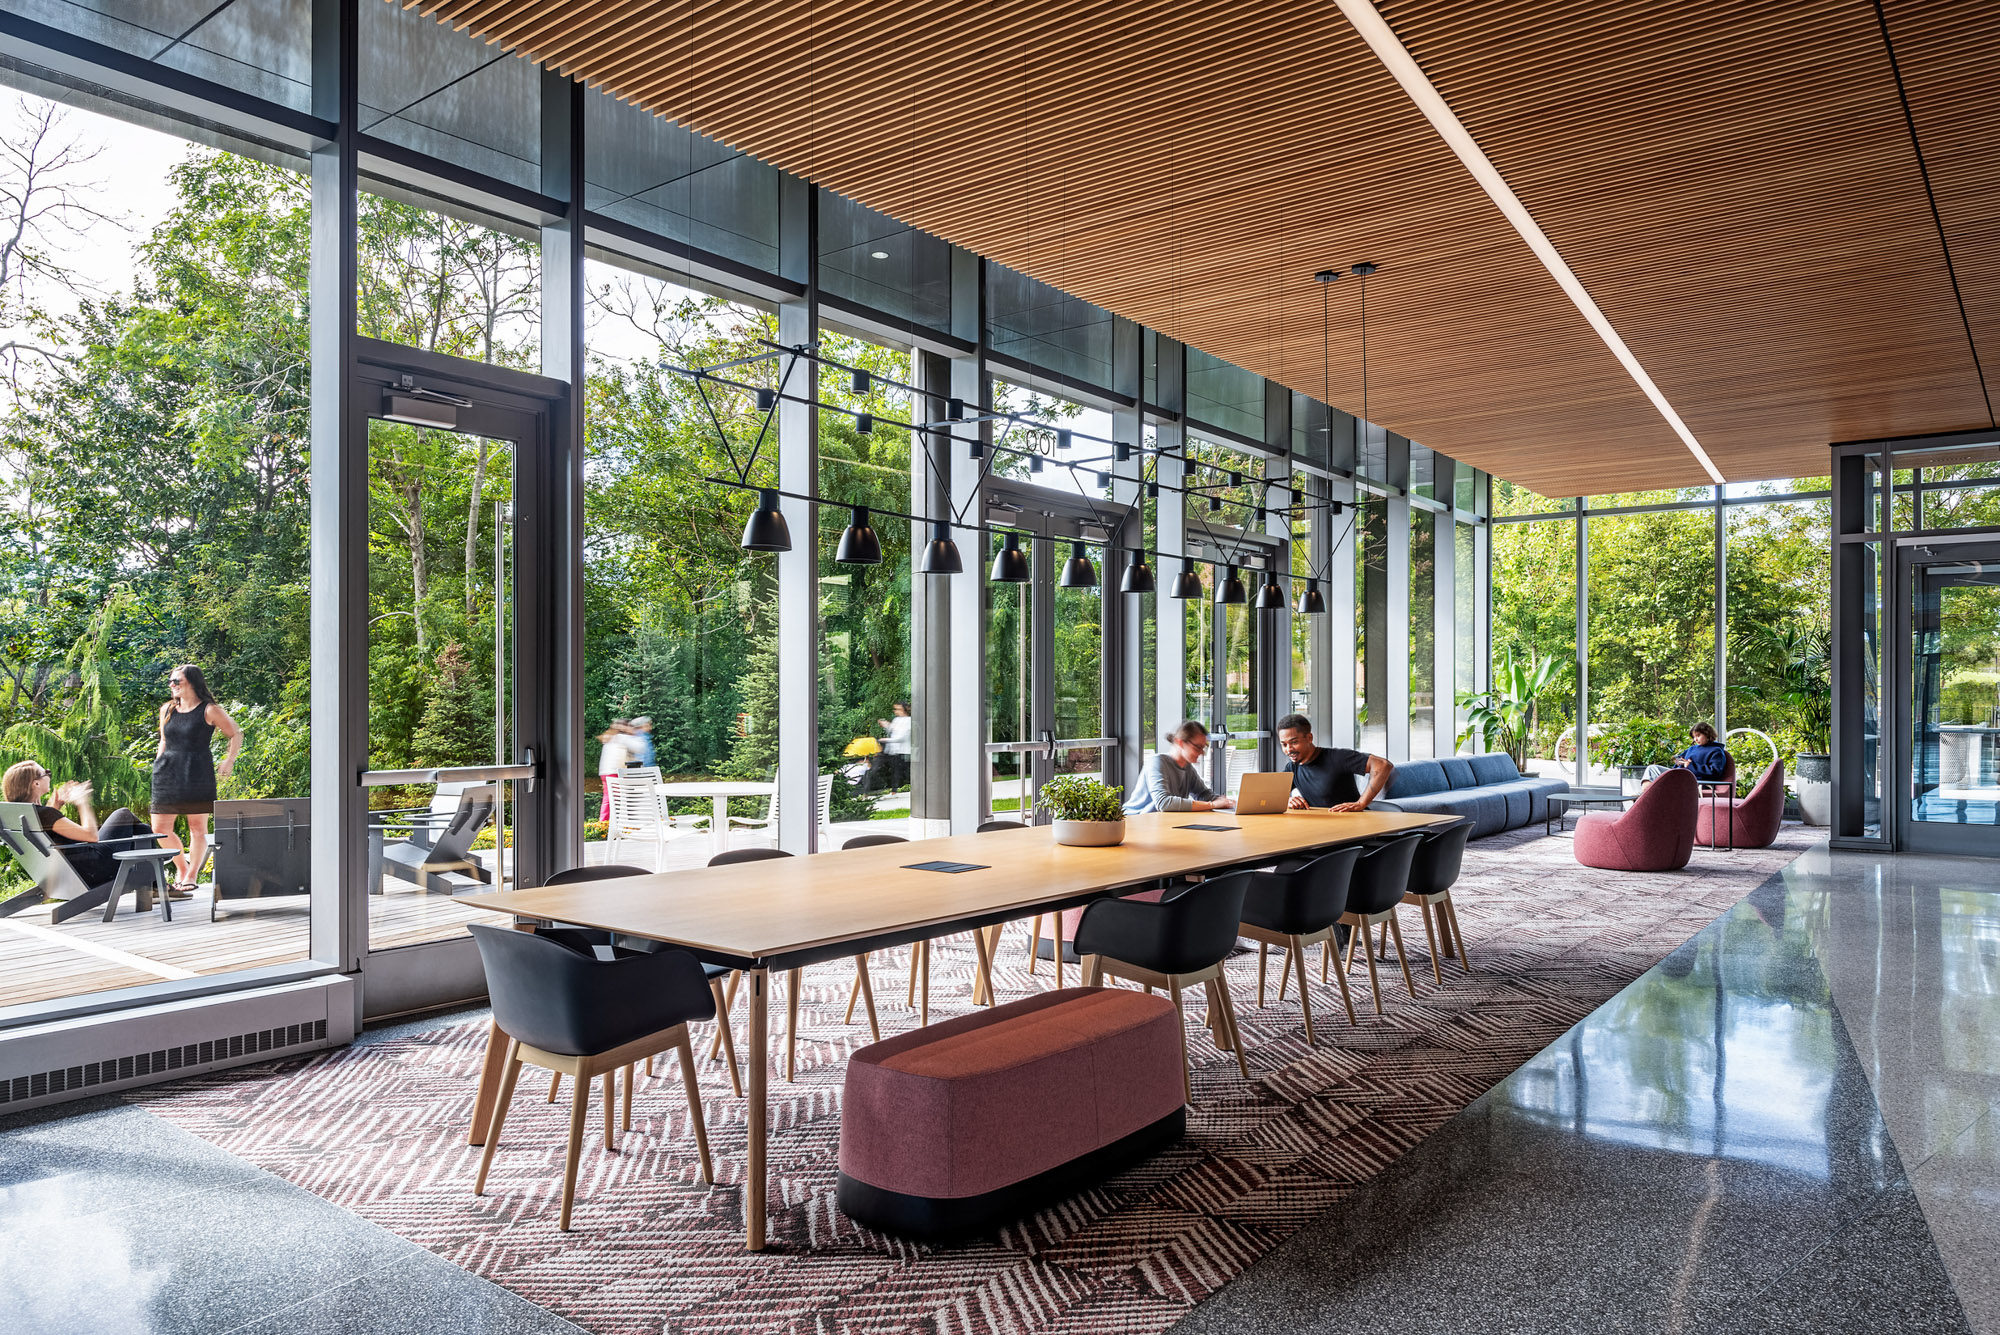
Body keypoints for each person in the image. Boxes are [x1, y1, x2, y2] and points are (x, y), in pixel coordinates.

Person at [149, 664, 243, 895]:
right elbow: (164, 740)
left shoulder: (209, 710)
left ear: (192, 682)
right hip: (166, 772)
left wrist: (229, 760)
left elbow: (235, 733)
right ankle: (182, 868)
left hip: (197, 772)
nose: (171, 685)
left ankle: (191, 876)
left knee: (197, 828)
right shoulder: (167, 709)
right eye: (170, 681)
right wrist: (158, 763)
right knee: (159, 828)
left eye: (176, 681)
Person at [2, 760, 155, 890]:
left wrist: (54, 808)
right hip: (94, 869)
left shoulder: (22, 814)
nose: (49, 775)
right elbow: (91, 836)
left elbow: (49, 831)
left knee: (141, 830)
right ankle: (156, 877)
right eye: (46, 773)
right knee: (123, 814)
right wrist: (82, 802)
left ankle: (155, 884)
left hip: (71, 871)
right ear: (36, 783)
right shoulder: (44, 814)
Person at [1276, 713, 1394, 811]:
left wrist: (1361, 803)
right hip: (1324, 825)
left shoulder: (1338, 757)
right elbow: (1273, 796)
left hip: (1354, 823)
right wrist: (1287, 801)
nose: (1289, 749)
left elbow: (1383, 765)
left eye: (1294, 742)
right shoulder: (1292, 768)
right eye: (1284, 744)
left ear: (1309, 738)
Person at [1125, 721, 1236, 814]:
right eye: (1198, 747)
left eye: (1203, 748)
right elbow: (1164, 803)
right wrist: (1211, 804)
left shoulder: (1187, 767)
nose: (1202, 753)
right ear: (1180, 743)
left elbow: (1202, 794)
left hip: (1162, 823)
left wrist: (1226, 802)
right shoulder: (1157, 762)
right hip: (1135, 822)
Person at [1643, 723, 1731, 784]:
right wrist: (1677, 761)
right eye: (1694, 737)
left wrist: (1690, 765)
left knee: (1653, 771)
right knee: (1652, 769)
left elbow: (1715, 772)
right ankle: (1644, 797)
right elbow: (1681, 759)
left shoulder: (1716, 750)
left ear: (1708, 734)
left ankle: (1646, 799)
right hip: (1679, 774)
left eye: (1698, 736)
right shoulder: (1692, 748)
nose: (1695, 739)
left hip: (1692, 779)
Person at [597, 720, 635, 820]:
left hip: (605, 772)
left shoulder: (611, 737)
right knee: (616, 799)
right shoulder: (622, 738)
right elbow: (639, 748)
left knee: (608, 798)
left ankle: (604, 822)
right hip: (615, 772)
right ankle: (610, 822)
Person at [879, 703, 912, 789]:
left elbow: (902, 737)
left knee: (900, 773)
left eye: (898, 709)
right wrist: (885, 725)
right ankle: (894, 789)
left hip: (903, 751)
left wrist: (886, 740)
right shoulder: (896, 720)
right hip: (894, 751)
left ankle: (899, 789)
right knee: (894, 771)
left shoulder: (909, 721)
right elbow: (891, 730)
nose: (896, 711)